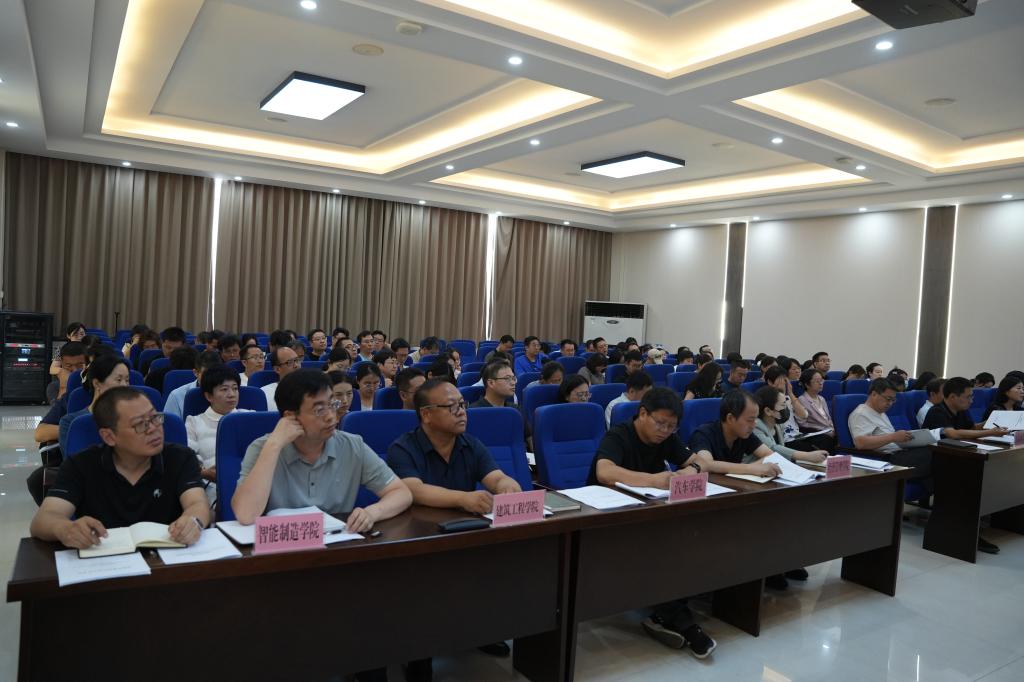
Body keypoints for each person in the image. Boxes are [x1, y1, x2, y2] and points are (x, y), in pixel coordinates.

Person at [386, 378, 521, 678]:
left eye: (462, 405)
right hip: (419, 539)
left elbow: (495, 477)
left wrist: (507, 486)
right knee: (423, 589)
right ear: (426, 414)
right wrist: (463, 498)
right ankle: (419, 655)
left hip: (464, 533)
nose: (462, 412)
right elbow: (413, 490)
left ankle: (480, 632)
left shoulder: (470, 444)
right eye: (452, 407)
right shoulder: (403, 447)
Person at [587, 388, 716, 658]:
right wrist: (655, 480)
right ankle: (684, 623)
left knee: (695, 541)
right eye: (660, 423)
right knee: (658, 552)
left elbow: (700, 462)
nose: (665, 431)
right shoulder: (619, 435)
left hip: (648, 516)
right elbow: (604, 471)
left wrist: (688, 471)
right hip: (606, 521)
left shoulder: (667, 438)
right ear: (643, 413)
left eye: (672, 426)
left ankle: (665, 615)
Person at [31, 386, 210, 549]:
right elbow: (44, 519)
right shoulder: (80, 465)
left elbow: (197, 503)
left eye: (155, 417)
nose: (153, 428)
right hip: (105, 561)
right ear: (109, 436)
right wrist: (65, 528)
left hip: (167, 557)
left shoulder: (181, 457)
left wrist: (193, 521)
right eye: (140, 424)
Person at [231, 370, 412, 528]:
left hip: (337, 545)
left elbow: (401, 493)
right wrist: (274, 446)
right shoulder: (263, 448)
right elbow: (246, 514)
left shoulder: (352, 445)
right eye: (319, 410)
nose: (331, 416)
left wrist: (373, 512)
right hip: (283, 548)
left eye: (332, 405)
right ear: (290, 417)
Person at [849, 378, 935, 500]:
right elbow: (860, 443)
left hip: (900, 452)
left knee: (937, 454)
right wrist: (893, 437)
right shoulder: (861, 414)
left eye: (893, 400)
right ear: (874, 394)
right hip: (887, 459)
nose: (890, 403)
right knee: (936, 459)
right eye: (888, 399)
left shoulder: (880, 412)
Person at [185, 365, 249, 505]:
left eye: (235, 388)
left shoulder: (250, 417)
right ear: (209, 396)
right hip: (211, 488)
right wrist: (204, 473)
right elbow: (189, 458)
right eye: (224, 389)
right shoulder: (194, 422)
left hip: (251, 484)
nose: (232, 394)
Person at [58, 354, 132, 456]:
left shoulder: (133, 418)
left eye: (127, 380)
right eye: (118, 380)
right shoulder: (70, 422)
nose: (125, 385)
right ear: (97, 383)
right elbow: (74, 463)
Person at [754, 386, 827, 464]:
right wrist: (807, 456)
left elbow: (781, 451)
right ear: (768, 411)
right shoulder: (755, 426)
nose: (786, 409)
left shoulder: (778, 425)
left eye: (786, 405)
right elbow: (772, 448)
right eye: (783, 405)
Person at [922, 377, 1008, 441]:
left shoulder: (961, 409)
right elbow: (953, 434)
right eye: (968, 397)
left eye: (971, 397)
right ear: (952, 397)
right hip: (936, 452)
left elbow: (972, 428)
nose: (971, 401)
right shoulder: (937, 411)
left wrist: (989, 422)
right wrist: (989, 432)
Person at [164, 350, 224, 419]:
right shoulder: (177, 396)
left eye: (216, 373)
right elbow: (168, 424)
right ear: (196, 373)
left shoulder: (229, 393)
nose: (212, 378)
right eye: (206, 374)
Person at [796, 369, 835, 434]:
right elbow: (802, 424)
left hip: (829, 430)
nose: (821, 383)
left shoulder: (821, 399)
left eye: (821, 380)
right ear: (807, 385)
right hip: (817, 433)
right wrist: (822, 431)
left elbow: (828, 419)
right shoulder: (801, 400)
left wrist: (833, 428)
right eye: (817, 381)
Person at [262, 347, 301, 412]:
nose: (296, 365)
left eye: (297, 360)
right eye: (290, 362)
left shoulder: (311, 389)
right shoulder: (264, 393)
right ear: (277, 369)